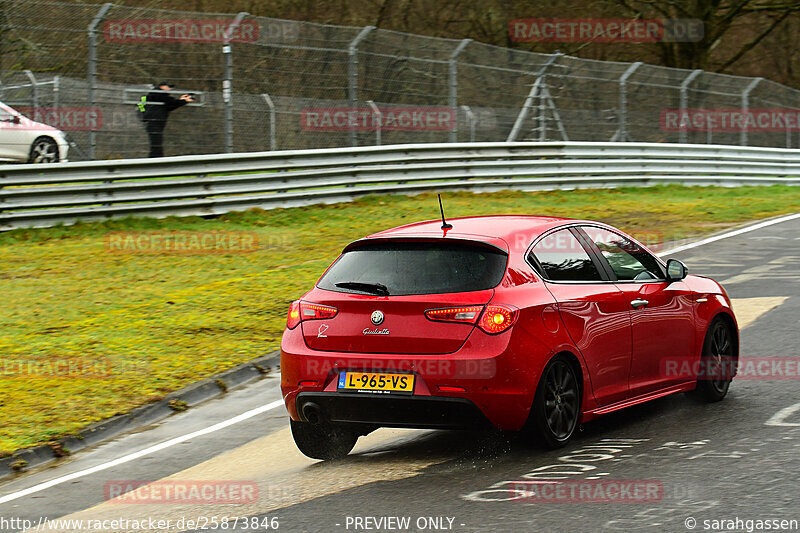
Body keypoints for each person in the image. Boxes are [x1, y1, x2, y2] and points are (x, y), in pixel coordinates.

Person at [142, 81, 193, 158]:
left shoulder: (161, 96)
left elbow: (170, 106)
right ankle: (155, 159)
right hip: (153, 121)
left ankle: (156, 158)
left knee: (157, 141)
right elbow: (170, 102)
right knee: (156, 142)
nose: (170, 89)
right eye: (169, 87)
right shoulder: (156, 93)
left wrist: (182, 101)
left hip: (157, 121)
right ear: (162, 86)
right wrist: (183, 101)